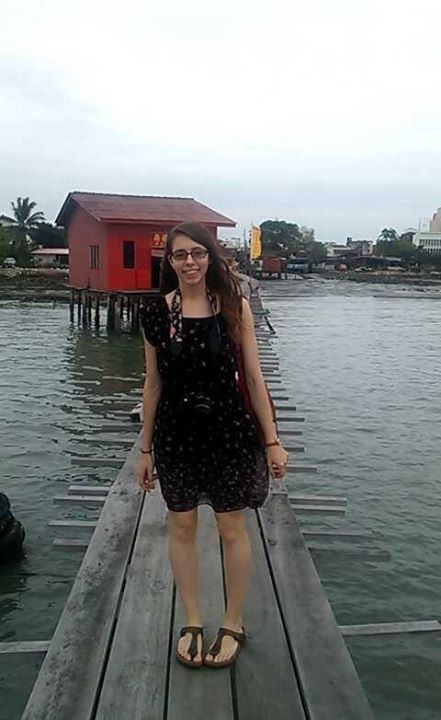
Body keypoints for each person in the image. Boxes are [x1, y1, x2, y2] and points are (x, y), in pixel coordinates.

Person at [137, 222, 289, 670]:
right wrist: (144, 450)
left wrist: (272, 442)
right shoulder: (155, 313)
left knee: (231, 528)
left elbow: (255, 379)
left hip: (229, 433)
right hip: (177, 435)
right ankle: (192, 619)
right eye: (180, 255)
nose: (190, 262)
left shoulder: (233, 307)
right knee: (182, 527)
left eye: (197, 253)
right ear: (170, 261)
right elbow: (152, 384)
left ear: (210, 257)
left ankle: (233, 621)